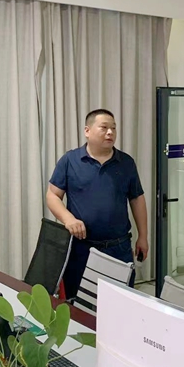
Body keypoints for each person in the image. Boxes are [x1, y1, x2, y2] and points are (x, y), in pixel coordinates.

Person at [46, 109, 148, 298]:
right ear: (87, 131)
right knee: (79, 303)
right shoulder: (70, 160)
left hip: (118, 248)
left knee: (120, 301)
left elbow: (137, 199)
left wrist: (143, 235)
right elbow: (52, 195)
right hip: (81, 247)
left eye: (113, 128)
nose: (110, 132)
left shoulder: (126, 162)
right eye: (104, 128)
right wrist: (68, 219)